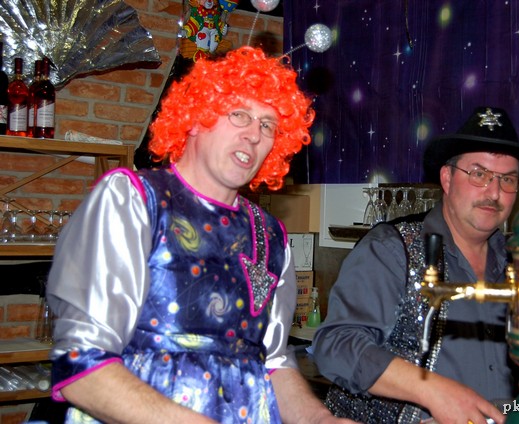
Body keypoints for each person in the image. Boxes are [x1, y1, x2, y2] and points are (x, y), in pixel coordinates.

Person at [46, 46, 356, 424]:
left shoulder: (272, 237)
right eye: (239, 114)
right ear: (195, 117)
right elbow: (82, 365)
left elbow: (272, 363)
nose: (254, 135)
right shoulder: (133, 200)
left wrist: (321, 420)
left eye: (268, 125)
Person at [312, 107, 519, 424]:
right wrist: (431, 391)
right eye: (479, 174)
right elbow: (336, 345)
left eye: (507, 179)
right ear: (447, 178)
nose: (494, 192)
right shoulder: (393, 248)